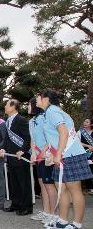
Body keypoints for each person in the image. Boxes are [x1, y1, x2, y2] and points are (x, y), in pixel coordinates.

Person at [39, 89, 92, 229]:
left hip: (70, 154)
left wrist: (58, 153)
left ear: (46, 99)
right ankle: (62, 221)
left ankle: (77, 224)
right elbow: (54, 137)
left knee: (74, 189)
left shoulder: (52, 111)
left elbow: (63, 131)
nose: (36, 99)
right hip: (62, 155)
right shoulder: (48, 113)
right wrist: (50, 152)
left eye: (38, 97)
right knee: (61, 189)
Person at [0, 99, 32, 216]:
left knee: (23, 183)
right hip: (11, 157)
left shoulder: (21, 120)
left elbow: (28, 138)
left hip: (20, 157)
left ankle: (26, 207)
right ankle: (16, 204)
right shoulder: (8, 121)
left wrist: (23, 150)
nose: (5, 106)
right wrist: (3, 149)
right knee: (14, 183)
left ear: (13, 106)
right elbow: (7, 139)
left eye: (7, 105)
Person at [29, 98, 58, 224]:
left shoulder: (44, 117)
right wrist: (33, 153)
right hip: (38, 156)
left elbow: (49, 137)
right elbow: (32, 139)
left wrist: (42, 152)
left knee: (50, 186)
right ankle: (46, 212)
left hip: (47, 155)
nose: (28, 107)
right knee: (42, 185)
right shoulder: (31, 121)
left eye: (30, 104)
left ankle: (54, 214)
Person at [77, 118, 93, 195]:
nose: (85, 123)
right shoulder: (80, 132)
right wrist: (87, 145)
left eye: (87, 122)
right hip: (84, 153)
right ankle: (89, 187)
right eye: (84, 121)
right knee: (86, 170)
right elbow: (77, 142)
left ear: (91, 124)